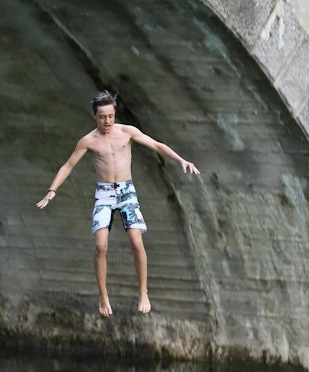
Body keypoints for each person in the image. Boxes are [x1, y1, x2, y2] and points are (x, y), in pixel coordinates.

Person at [37, 90, 200, 316]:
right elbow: (68, 166)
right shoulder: (88, 141)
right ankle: (103, 296)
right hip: (104, 194)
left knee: (136, 241)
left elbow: (156, 145)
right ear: (94, 116)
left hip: (126, 192)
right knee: (101, 245)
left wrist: (181, 159)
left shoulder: (126, 132)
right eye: (103, 117)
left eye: (111, 116)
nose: (107, 121)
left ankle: (143, 291)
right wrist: (52, 190)